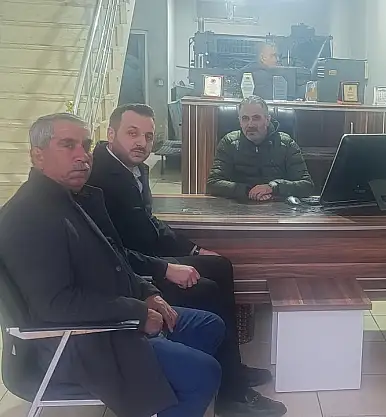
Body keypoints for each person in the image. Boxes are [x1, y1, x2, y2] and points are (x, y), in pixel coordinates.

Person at [0, 112, 225, 417]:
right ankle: (172, 384)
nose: (82, 156)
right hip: (78, 343)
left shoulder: (72, 199)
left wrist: (146, 292)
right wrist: (136, 312)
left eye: (86, 145)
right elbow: (55, 305)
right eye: (68, 145)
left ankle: (164, 393)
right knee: (204, 374)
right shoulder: (29, 217)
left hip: (110, 319)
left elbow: (114, 258)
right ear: (37, 155)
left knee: (209, 326)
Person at [87, 103, 286, 417]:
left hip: (147, 259)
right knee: (206, 289)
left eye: (148, 136)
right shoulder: (99, 177)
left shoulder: (133, 168)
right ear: (111, 134)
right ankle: (232, 395)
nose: (141, 142)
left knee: (220, 265)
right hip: (131, 275)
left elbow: (149, 224)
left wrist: (194, 251)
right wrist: (166, 268)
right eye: (132, 133)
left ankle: (232, 368)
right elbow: (109, 253)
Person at [206, 95, 314, 200]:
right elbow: (213, 184)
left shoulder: (287, 144)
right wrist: (248, 191)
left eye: (256, 118)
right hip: (239, 206)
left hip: (278, 207)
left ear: (267, 120)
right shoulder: (229, 142)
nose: (250, 124)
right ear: (240, 122)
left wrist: (273, 187)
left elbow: (307, 186)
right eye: (245, 118)